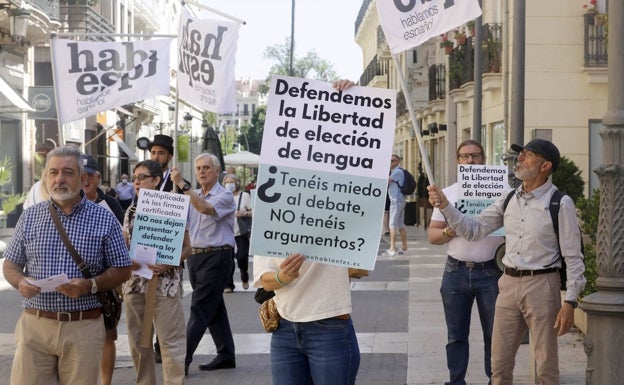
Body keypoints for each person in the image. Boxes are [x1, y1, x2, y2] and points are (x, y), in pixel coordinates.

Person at [427, 139, 586, 385]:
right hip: (508, 283)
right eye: (521, 154)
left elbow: (573, 256)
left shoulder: (559, 203)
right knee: (499, 365)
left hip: (543, 285)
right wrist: (446, 206)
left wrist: (571, 302)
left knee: (546, 366)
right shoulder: (508, 197)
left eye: (528, 155)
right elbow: (474, 229)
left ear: (545, 166)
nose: (520, 159)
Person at [252, 78, 360, 385]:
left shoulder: (340, 202)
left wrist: (346, 104)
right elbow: (264, 277)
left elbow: (360, 267)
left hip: (330, 327)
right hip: (284, 329)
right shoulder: (272, 210)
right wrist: (285, 276)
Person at [2, 145, 132, 385]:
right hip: (35, 325)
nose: (59, 179)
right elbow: (10, 264)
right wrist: (20, 282)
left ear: (83, 178)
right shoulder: (30, 216)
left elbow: (123, 268)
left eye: (67, 172)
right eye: (53, 172)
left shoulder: (104, 218)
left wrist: (90, 285)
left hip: (83, 326)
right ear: (46, 177)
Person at [427, 140, 504, 385]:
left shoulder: (501, 192)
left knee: (495, 334)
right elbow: (433, 236)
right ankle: (456, 381)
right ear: (458, 160)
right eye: (465, 156)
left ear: (484, 158)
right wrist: (452, 231)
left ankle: (496, 379)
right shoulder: (447, 195)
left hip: (492, 271)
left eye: (475, 155)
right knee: (456, 335)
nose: (470, 160)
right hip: (456, 271)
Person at [122, 160, 191, 385]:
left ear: (156, 180)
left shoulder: (173, 207)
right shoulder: (130, 211)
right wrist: (125, 258)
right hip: (135, 285)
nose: (137, 182)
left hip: (165, 286)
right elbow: (124, 244)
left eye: (142, 177)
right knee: (138, 343)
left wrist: (169, 263)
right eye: (134, 178)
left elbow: (188, 248)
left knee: (171, 343)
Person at [171, 153, 236, 375]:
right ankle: (226, 354)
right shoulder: (193, 194)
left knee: (199, 308)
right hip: (196, 257)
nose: (201, 171)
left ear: (217, 171)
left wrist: (182, 184)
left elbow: (205, 209)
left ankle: (182, 361)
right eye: (198, 167)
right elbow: (178, 215)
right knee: (214, 308)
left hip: (217, 256)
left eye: (206, 167)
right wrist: (175, 190)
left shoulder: (224, 195)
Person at [80, 154, 125, 385]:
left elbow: (123, 238)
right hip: (75, 284)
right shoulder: (65, 204)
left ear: (98, 177)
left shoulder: (111, 204)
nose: (85, 180)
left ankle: (105, 382)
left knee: (108, 335)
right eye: (82, 175)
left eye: (90, 175)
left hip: (105, 282)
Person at [223, 173, 253, 293]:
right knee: (227, 259)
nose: (229, 185)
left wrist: (244, 213)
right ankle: (228, 284)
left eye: (232, 182)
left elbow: (252, 211)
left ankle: (244, 275)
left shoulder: (244, 196)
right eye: (227, 182)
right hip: (226, 232)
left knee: (242, 256)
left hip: (240, 231)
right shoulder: (222, 196)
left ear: (237, 183)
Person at [383, 154, 408, 256]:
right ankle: (404, 247)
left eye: (392, 160)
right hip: (399, 200)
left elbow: (386, 182)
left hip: (396, 200)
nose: (390, 162)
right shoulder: (396, 171)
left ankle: (392, 249)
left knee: (392, 225)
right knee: (400, 225)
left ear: (398, 161)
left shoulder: (397, 172)